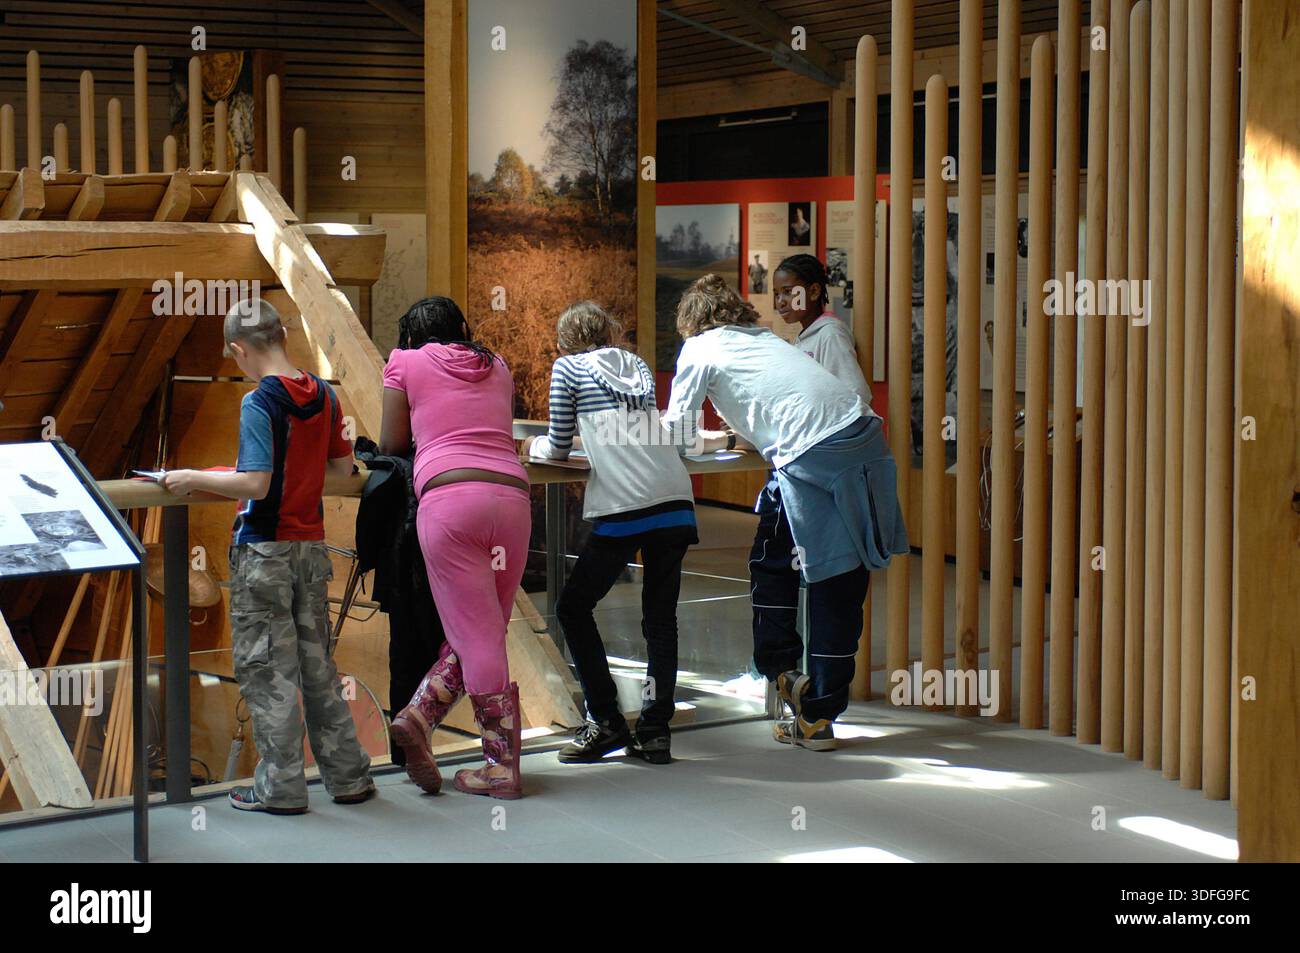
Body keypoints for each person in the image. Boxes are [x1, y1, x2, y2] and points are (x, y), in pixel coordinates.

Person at [662, 275, 908, 750]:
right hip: (863, 437)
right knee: (842, 579)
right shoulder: (766, 340)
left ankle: (786, 676)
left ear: (689, 322)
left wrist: (715, 438)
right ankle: (818, 712)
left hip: (811, 454)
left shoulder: (699, 348)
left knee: (776, 565)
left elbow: (677, 432)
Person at [161, 298, 374, 814]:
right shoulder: (323, 395)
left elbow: (256, 483)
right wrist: (286, 475)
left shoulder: (258, 401)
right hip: (309, 547)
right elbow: (343, 474)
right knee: (317, 666)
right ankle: (348, 778)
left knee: (267, 670)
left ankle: (279, 787)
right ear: (282, 336)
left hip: (263, 552)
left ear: (239, 349)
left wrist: (191, 478)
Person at [526, 302, 699, 765]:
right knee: (661, 620)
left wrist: (530, 444)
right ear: (609, 332)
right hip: (675, 501)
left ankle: (605, 721)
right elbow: (632, 429)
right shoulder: (636, 365)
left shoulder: (567, 368)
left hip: (626, 506)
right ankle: (655, 729)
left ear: (565, 340)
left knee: (573, 607)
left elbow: (558, 443)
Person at [379, 297, 531, 800]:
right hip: (511, 499)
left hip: (450, 499)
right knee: (485, 632)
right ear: (462, 328)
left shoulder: (404, 362)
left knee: (479, 638)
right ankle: (421, 716)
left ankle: (500, 770)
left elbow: (390, 443)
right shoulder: (499, 365)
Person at [773, 253, 872, 405]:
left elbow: (856, 394)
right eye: (776, 294)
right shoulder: (806, 336)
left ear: (813, 291)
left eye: (788, 292)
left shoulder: (830, 334)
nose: (780, 302)